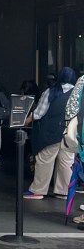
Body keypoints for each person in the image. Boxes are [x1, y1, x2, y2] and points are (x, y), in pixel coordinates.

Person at [24, 66, 76, 199]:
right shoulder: (78, 93)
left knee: (44, 160)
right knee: (66, 162)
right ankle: (63, 191)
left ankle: (38, 190)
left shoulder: (51, 91)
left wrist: (27, 120)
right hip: (70, 133)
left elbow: (39, 113)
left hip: (51, 132)